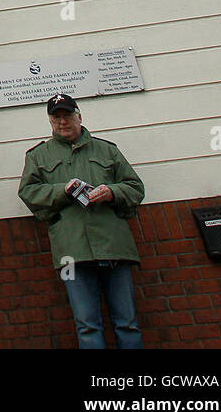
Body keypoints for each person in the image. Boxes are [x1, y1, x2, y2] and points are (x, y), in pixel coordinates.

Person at [18, 94, 146, 349]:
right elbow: (29, 193)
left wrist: (112, 192)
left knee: (127, 322)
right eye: (56, 117)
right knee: (86, 325)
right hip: (70, 252)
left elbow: (135, 188)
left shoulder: (107, 149)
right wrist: (61, 191)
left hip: (115, 246)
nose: (62, 122)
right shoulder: (37, 156)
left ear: (79, 116)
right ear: (50, 121)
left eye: (67, 115)